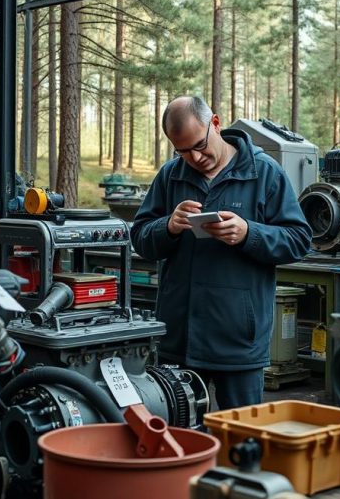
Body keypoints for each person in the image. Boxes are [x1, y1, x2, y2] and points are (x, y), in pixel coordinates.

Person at [130, 96, 312, 410]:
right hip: (179, 341)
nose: (195, 158)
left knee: (241, 445)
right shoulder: (171, 176)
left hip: (238, 342)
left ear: (215, 123)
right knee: (180, 441)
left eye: (200, 145)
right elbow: (141, 239)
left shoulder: (264, 173)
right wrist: (168, 227)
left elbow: (298, 240)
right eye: (183, 151)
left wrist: (249, 233)